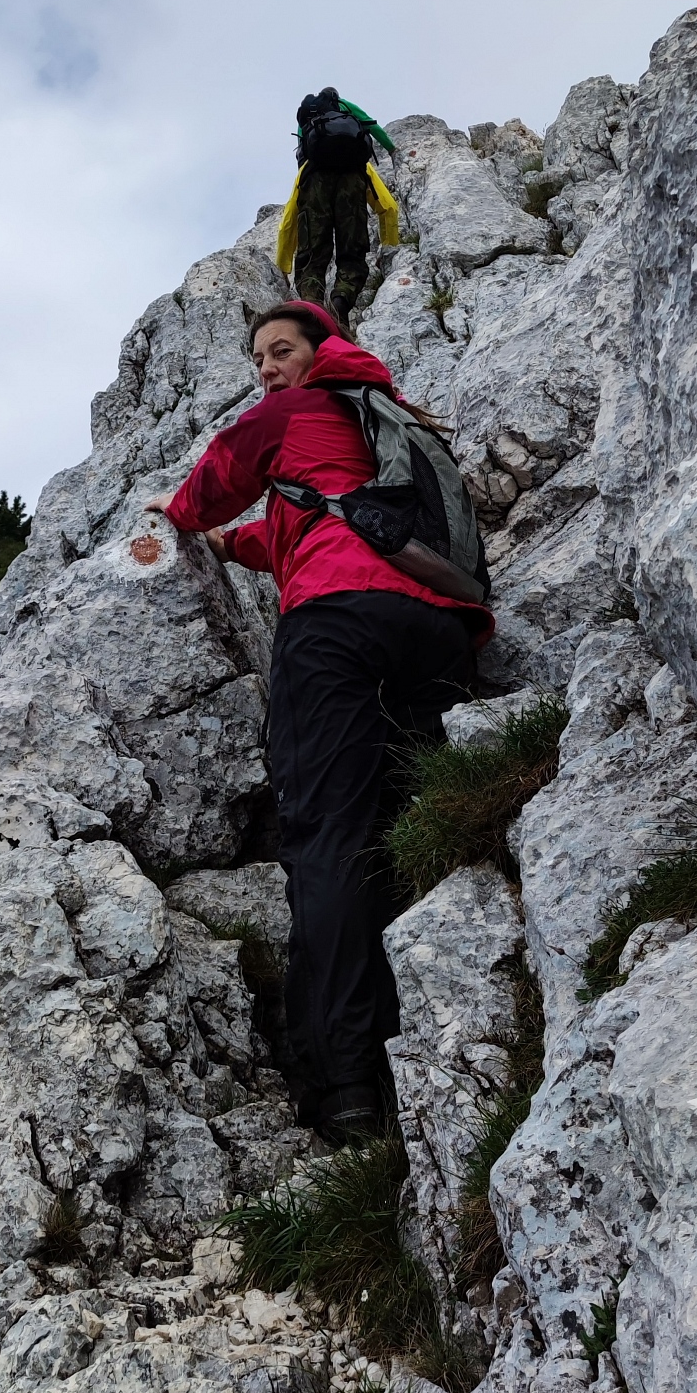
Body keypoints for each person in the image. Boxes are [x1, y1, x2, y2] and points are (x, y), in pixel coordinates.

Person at [147, 300, 492, 1148]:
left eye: (280, 351)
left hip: (338, 628)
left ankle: (348, 1086)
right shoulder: (382, 423)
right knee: (420, 824)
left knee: (331, 834)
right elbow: (319, 520)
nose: (266, 369)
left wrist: (179, 514)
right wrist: (240, 548)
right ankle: (460, 1039)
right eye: (258, 359)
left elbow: (221, 474)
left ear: (322, 351)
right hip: (439, 633)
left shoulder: (293, 412)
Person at [275, 90, 400, 325]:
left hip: (313, 179)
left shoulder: (307, 152)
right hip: (353, 177)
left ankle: (313, 310)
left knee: (312, 255)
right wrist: (391, 249)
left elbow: (289, 220)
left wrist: (282, 266)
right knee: (351, 252)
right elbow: (388, 207)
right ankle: (341, 301)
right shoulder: (347, 108)